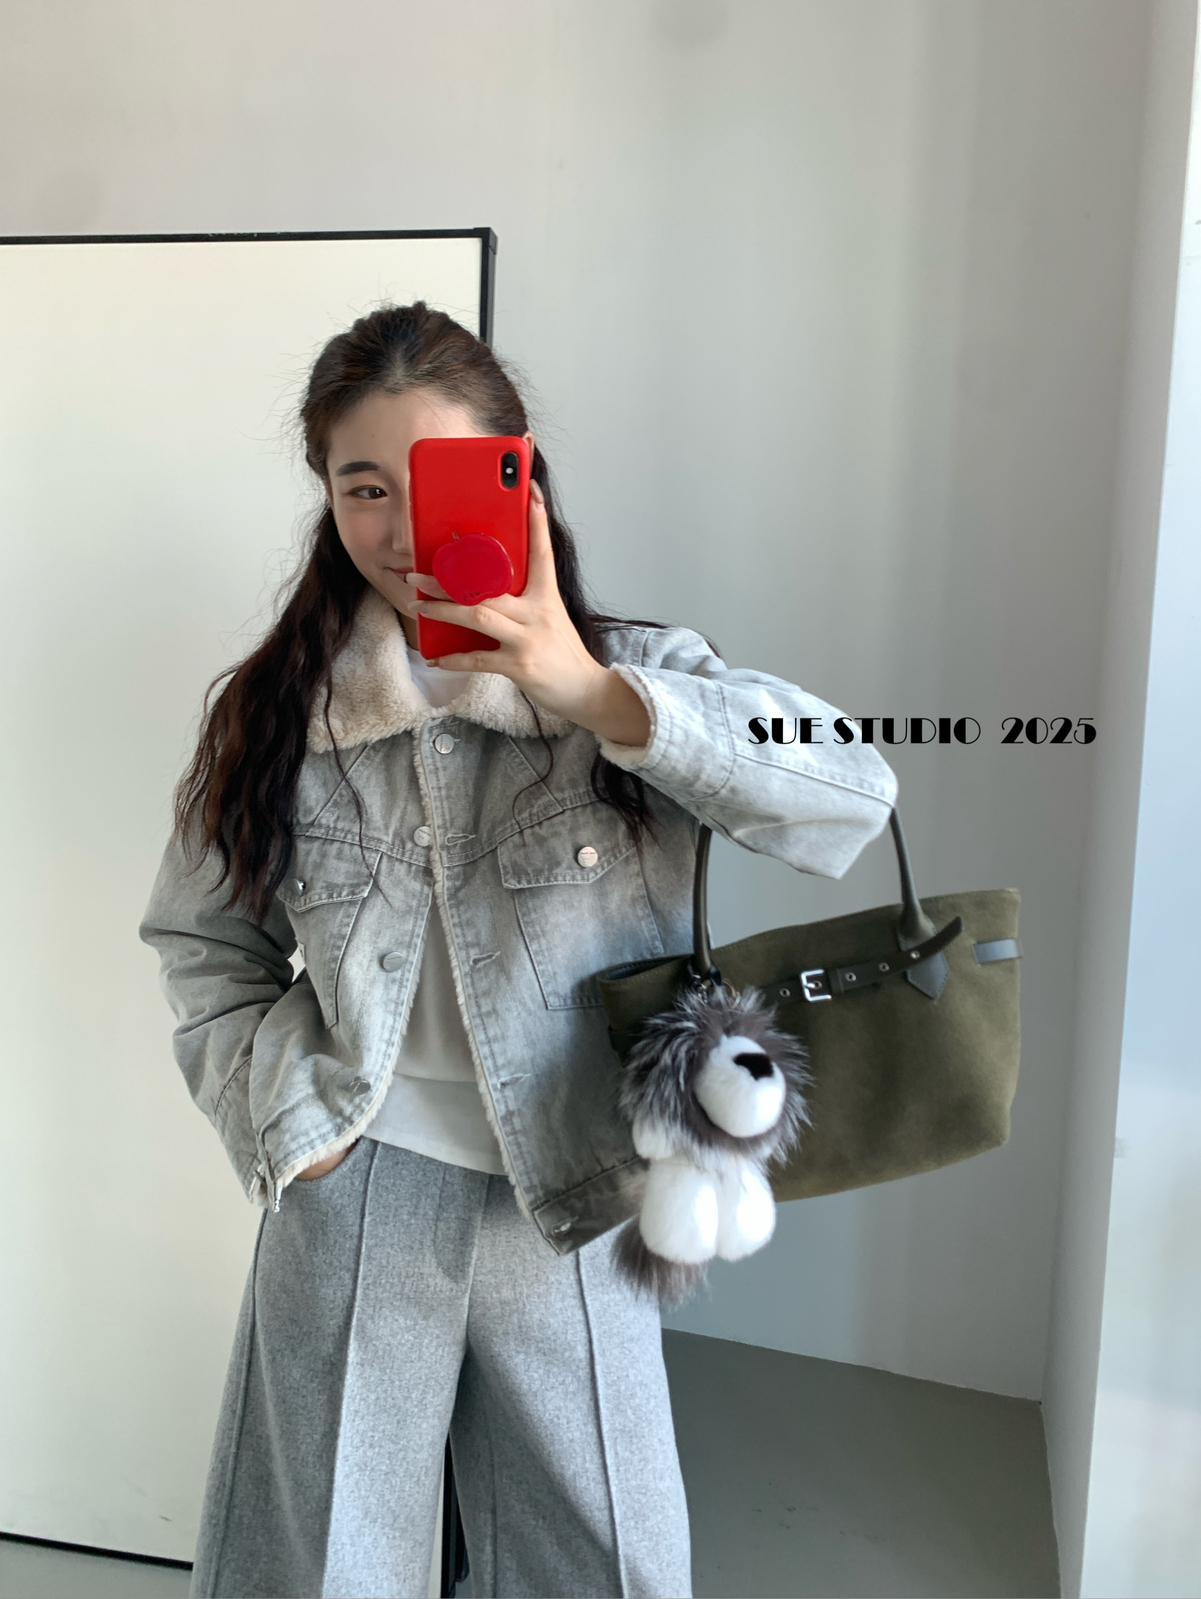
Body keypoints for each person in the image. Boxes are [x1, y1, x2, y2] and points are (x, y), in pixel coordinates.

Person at [137, 300, 899, 1599]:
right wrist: (285, 1124)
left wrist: (590, 694)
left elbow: (852, 795)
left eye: (432, 478)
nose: (399, 528)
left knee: (603, 1564)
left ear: (514, 472)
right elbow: (200, 941)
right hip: (356, 1181)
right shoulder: (282, 714)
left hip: (578, 1187)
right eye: (362, 487)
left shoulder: (636, 676)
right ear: (328, 497)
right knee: (326, 1566)